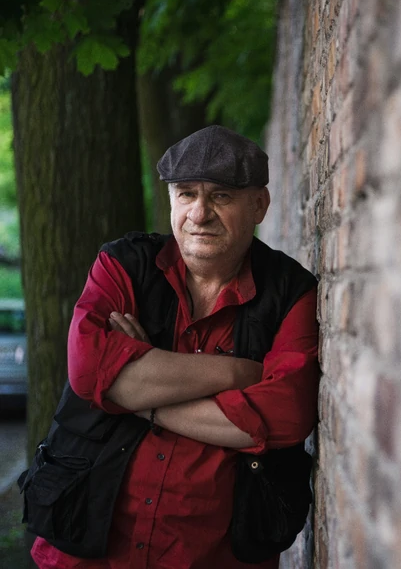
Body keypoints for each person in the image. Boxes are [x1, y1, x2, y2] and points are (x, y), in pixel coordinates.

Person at [29, 125, 320, 569]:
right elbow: (89, 373)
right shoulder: (122, 265)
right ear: (171, 201)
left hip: (212, 557)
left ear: (260, 205)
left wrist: (139, 395)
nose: (199, 214)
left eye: (221, 196)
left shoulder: (291, 292)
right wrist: (238, 373)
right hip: (83, 548)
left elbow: (284, 416)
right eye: (186, 194)